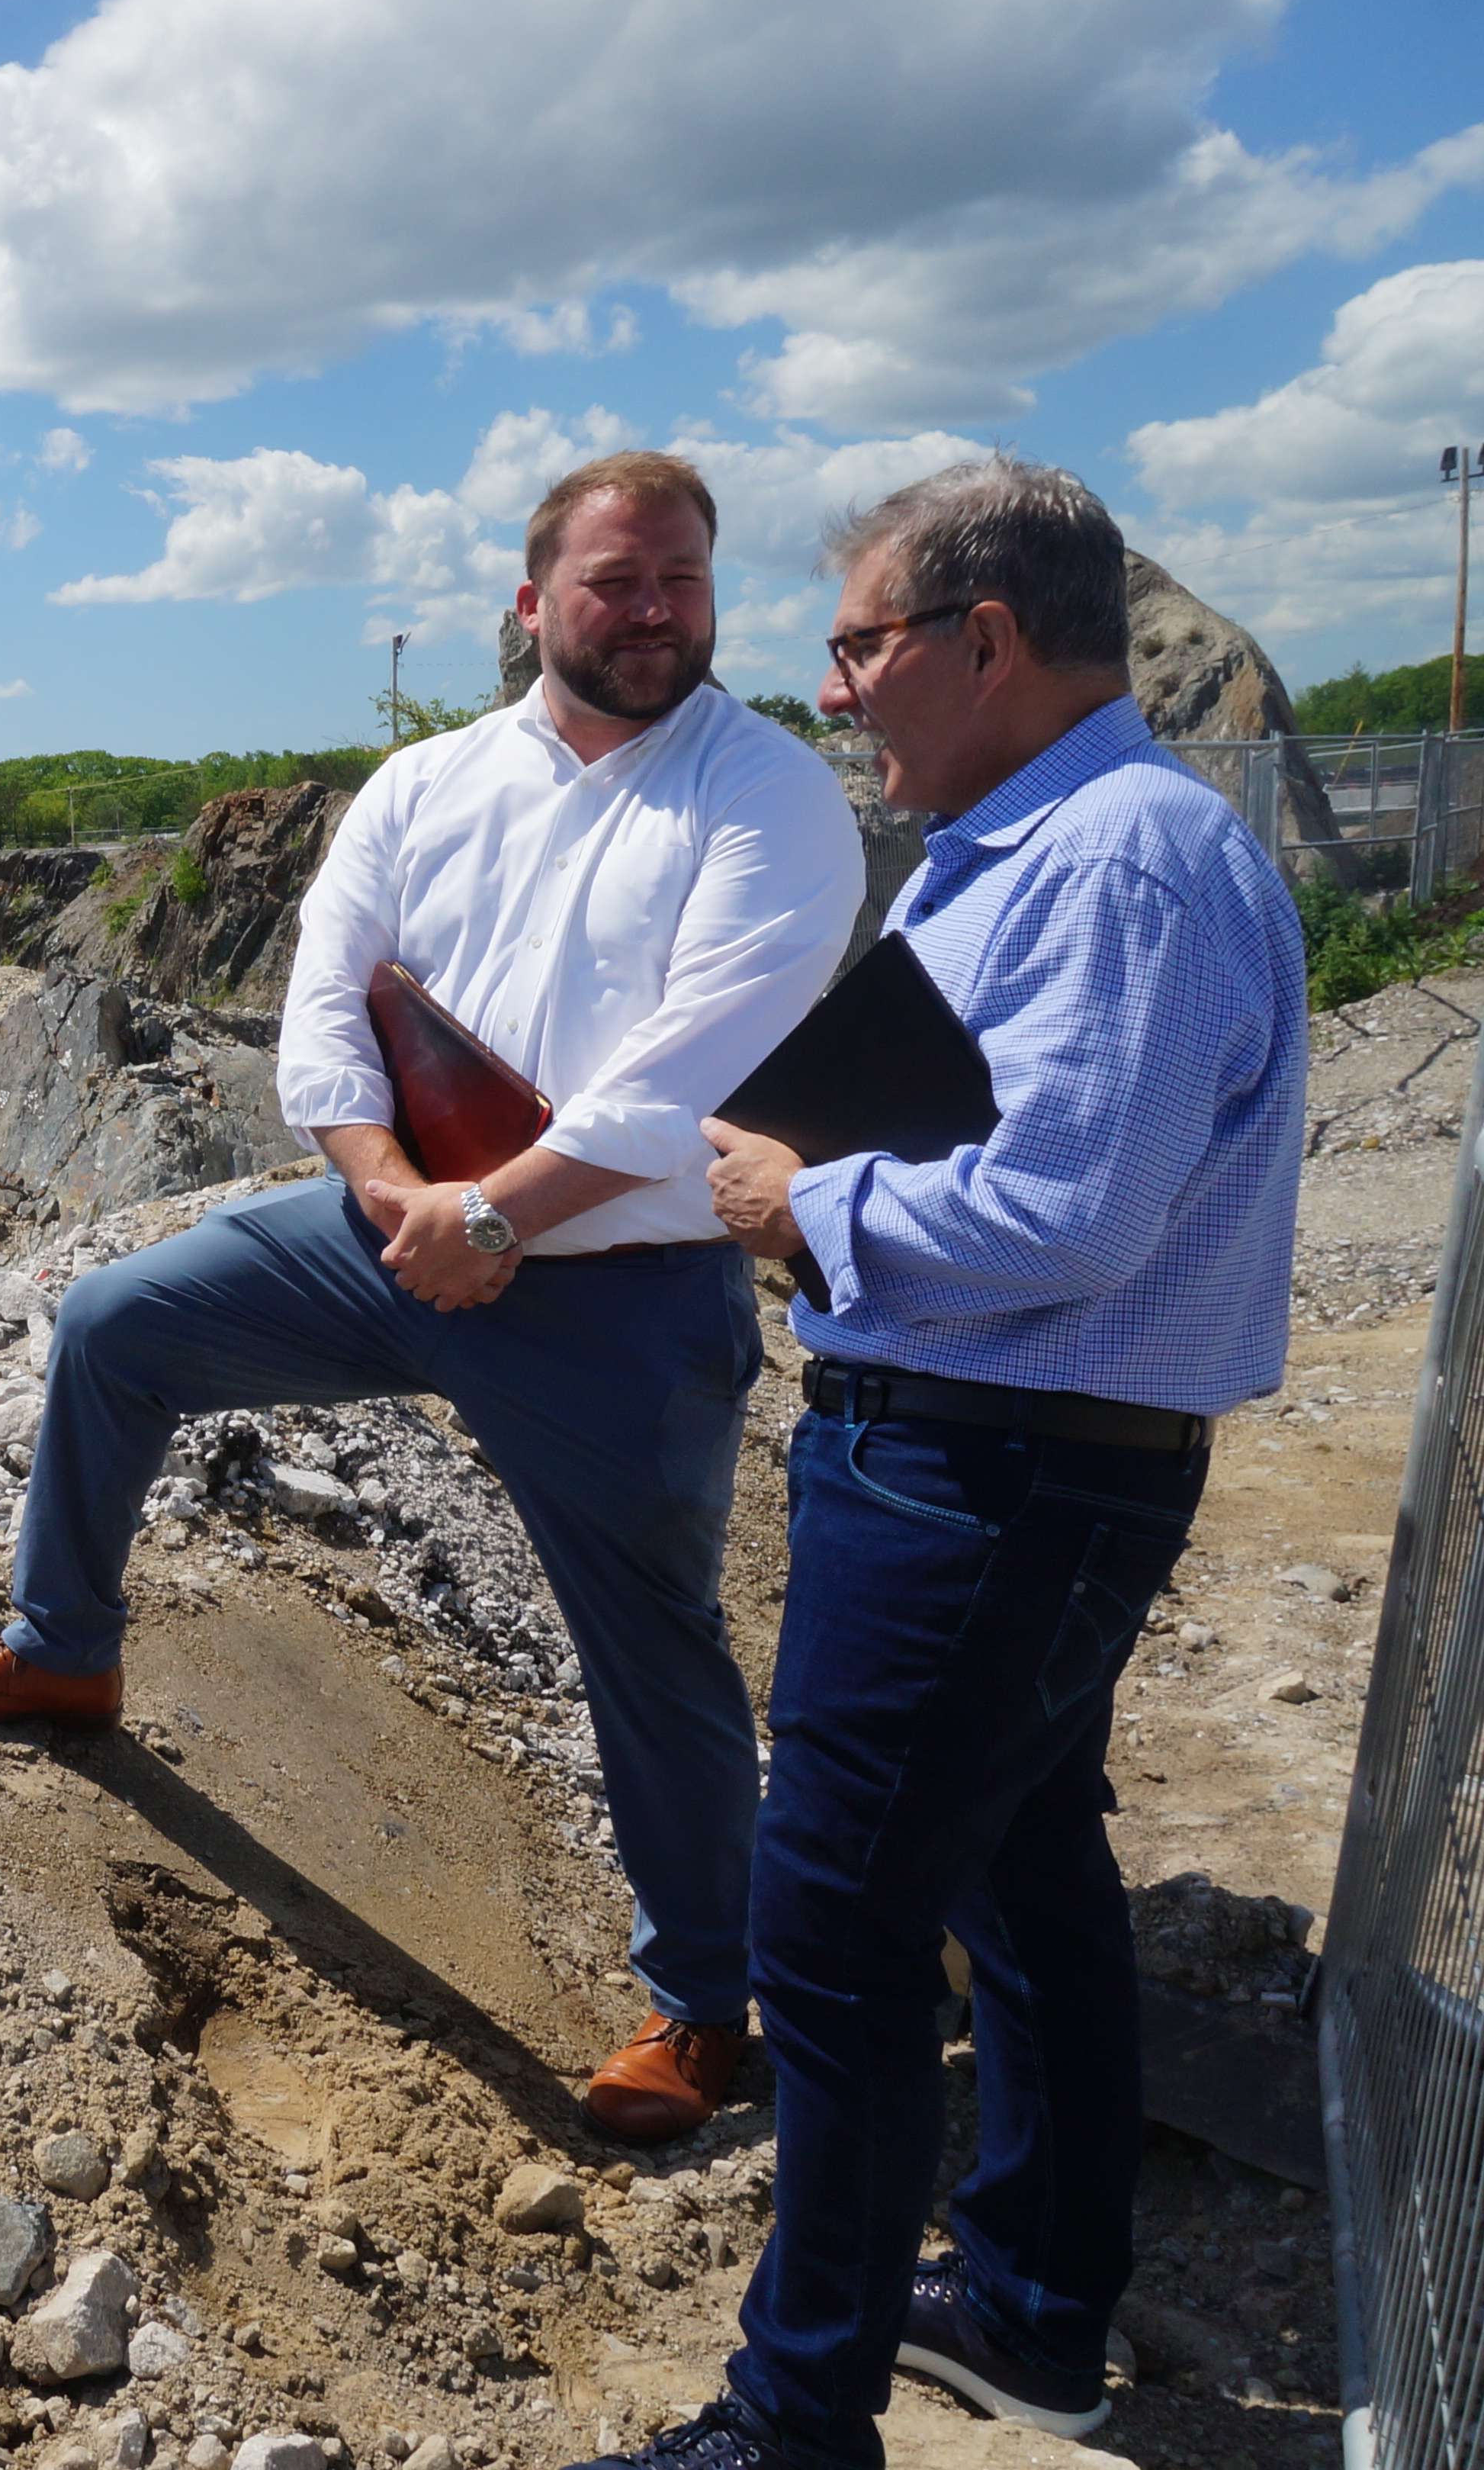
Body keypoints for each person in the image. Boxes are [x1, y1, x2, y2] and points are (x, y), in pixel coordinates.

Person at [0, 450, 865, 2144]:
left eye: (681, 579)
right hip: (389, 1234)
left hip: (615, 1294)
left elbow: (689, 1062)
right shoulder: (422, 785)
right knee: (115, 1328)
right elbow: (324, 1008)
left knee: (652, 1650)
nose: (651, 612)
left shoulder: (767, 795)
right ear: (528, 601)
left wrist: (496, 1213)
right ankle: (61, 1653)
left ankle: (701, 2006)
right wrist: (397, 1198)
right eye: (614, 580)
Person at [586, 458, 1305, 2470]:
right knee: (1023, 1873)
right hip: (1016, 1466)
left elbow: (1073, 1211)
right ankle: (1033, 2311)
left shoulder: (1115, 866)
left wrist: (806, 1203)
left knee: (826, 1937)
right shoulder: (1072, 844)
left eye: (858, 647)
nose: (837, 695)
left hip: (994, 1478)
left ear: (985, 641)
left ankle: (792, 2422)